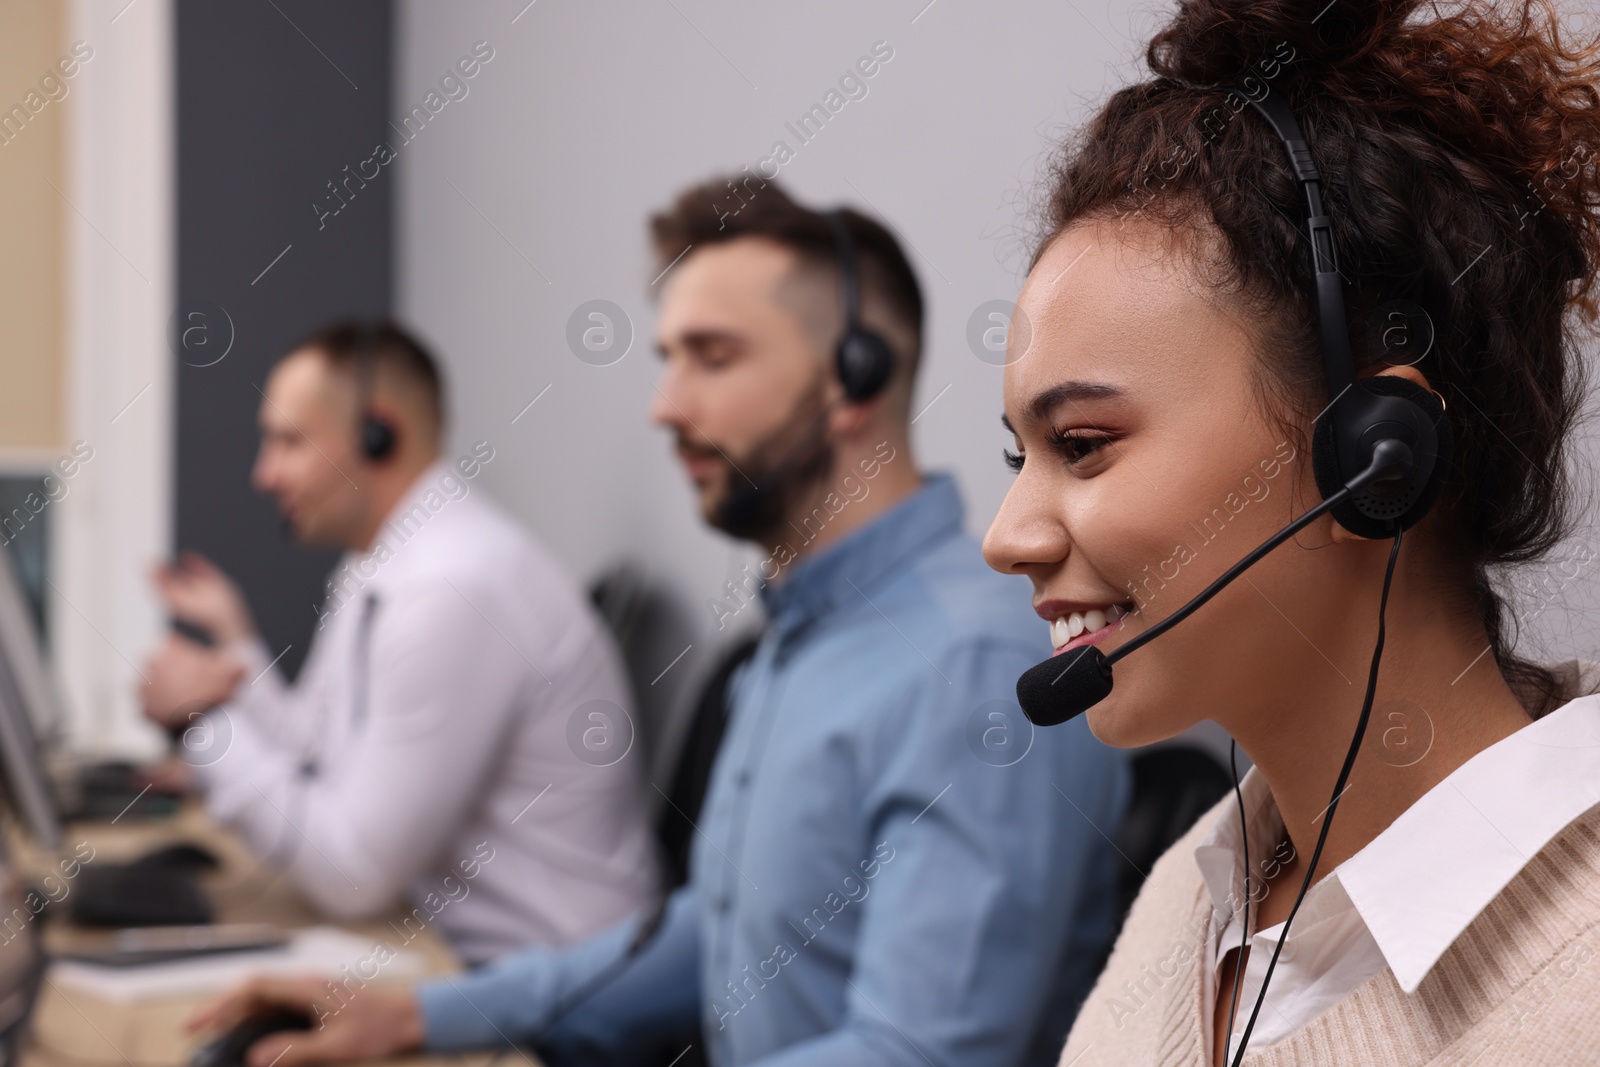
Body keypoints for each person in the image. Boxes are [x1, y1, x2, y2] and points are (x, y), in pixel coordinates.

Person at [189, 180, 1130, 1066]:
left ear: (857, 376)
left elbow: (913, 1055)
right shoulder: (797, 640)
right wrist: (414, 1013)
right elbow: (715, 933)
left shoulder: (969, 667)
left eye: (712, 357)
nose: (665, 406)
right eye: (668, 359)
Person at [981, 0, 1600, 1064]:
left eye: (1081, 443)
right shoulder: (1194, 887)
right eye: (1016, 455)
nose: (1006, 535)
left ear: (1373, 453)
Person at [140, 321, 659, 965]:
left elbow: (352, 876)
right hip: (459, 958)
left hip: (554, 1004)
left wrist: (203, 722)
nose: (263, 475)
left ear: (377, 435)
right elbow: (317, 748)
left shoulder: (452, 589)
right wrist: (235, 636)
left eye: (289, 442)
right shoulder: (383, 564)